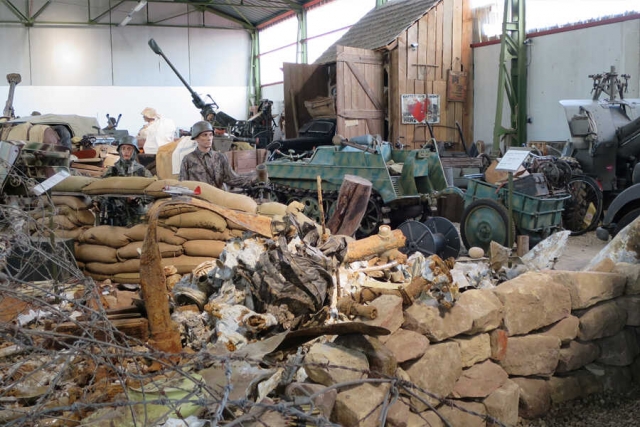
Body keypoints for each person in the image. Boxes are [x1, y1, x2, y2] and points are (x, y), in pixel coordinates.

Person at [179, 120, 255, 189]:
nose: (209, 138)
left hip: (217, 199)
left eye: (210, 135)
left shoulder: (220, 157)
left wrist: (253, 181)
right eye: (204, 135)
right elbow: (183, 185)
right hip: (198, 201)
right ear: (196, 138)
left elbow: (232, 179)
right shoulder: (188, 159)